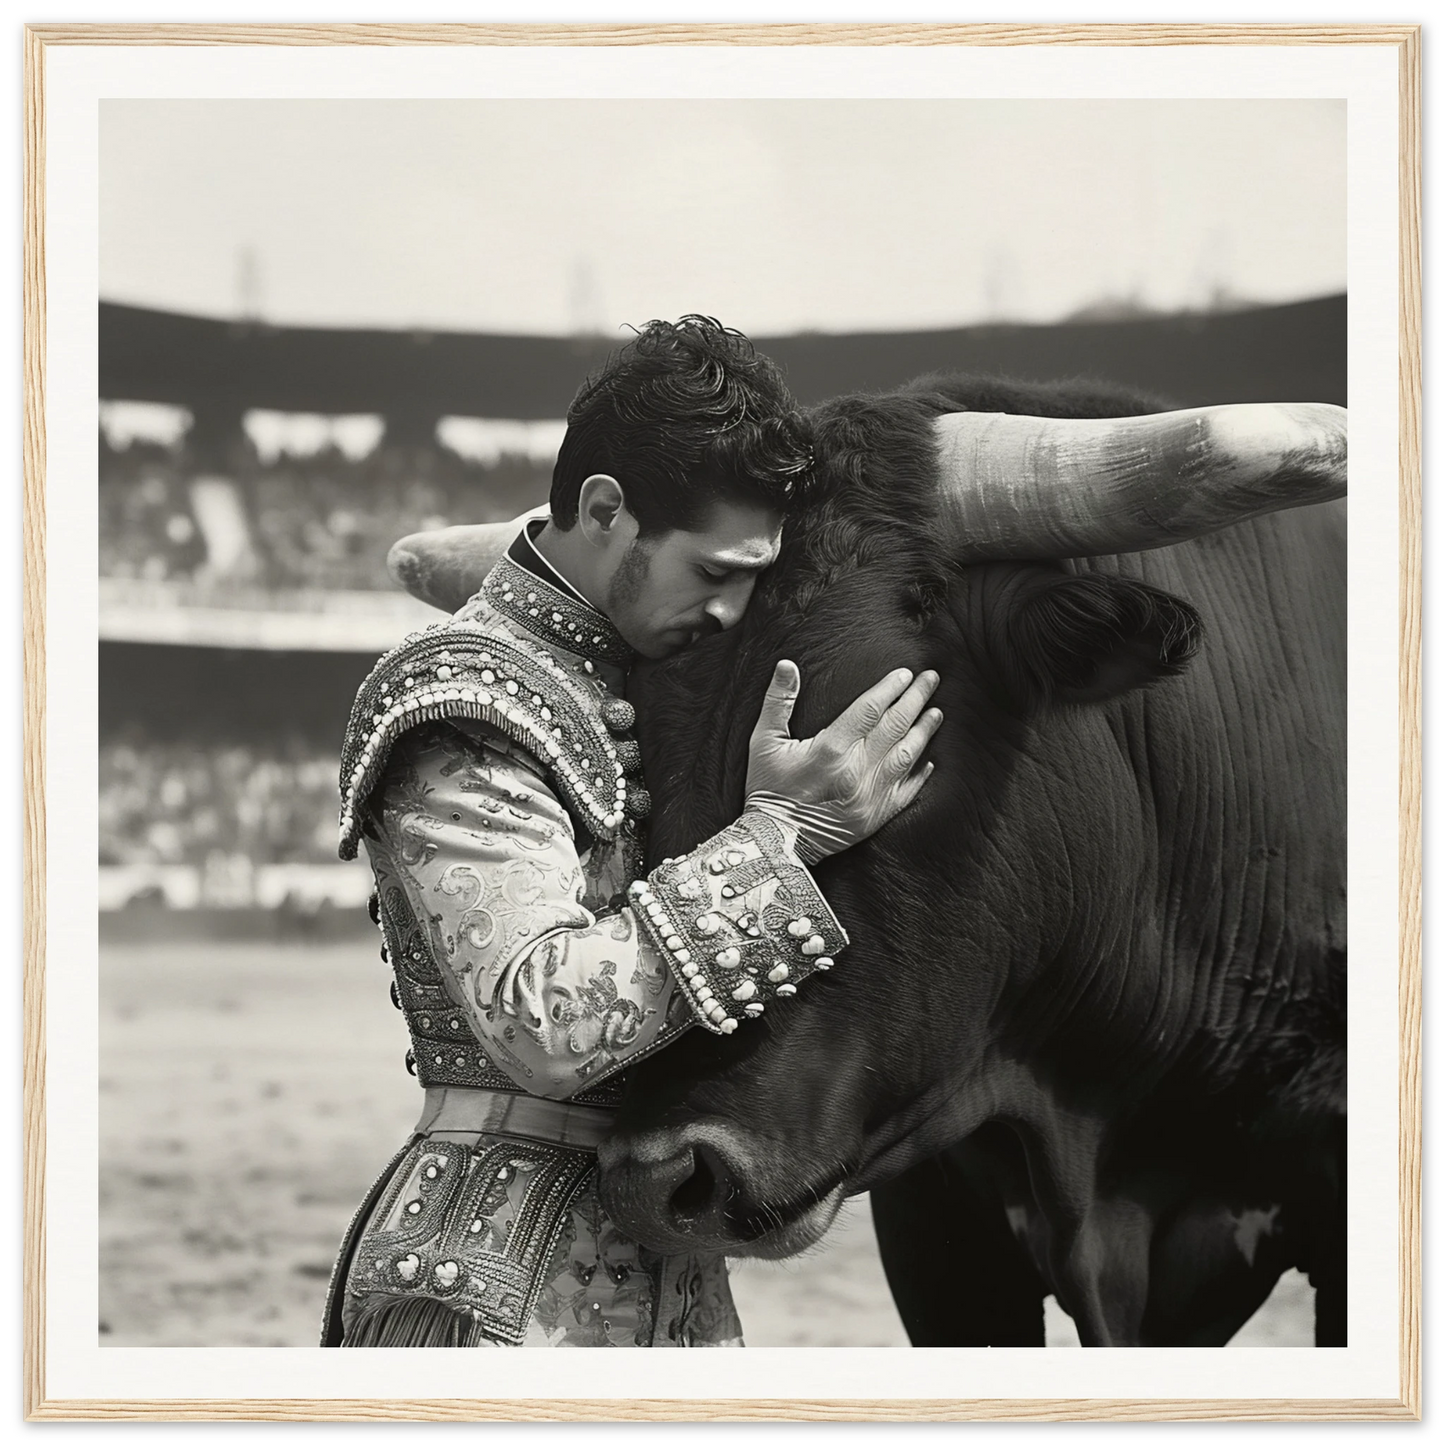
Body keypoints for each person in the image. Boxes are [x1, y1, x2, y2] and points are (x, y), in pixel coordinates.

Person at [320, 317, 943, 1348]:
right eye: (713, 572)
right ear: (605, 511)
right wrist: (780, 834)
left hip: (666, 1278)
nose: (733, 610)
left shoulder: (640, 676)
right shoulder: (468, 693)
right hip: (492, 1290)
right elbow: (543, 1021)